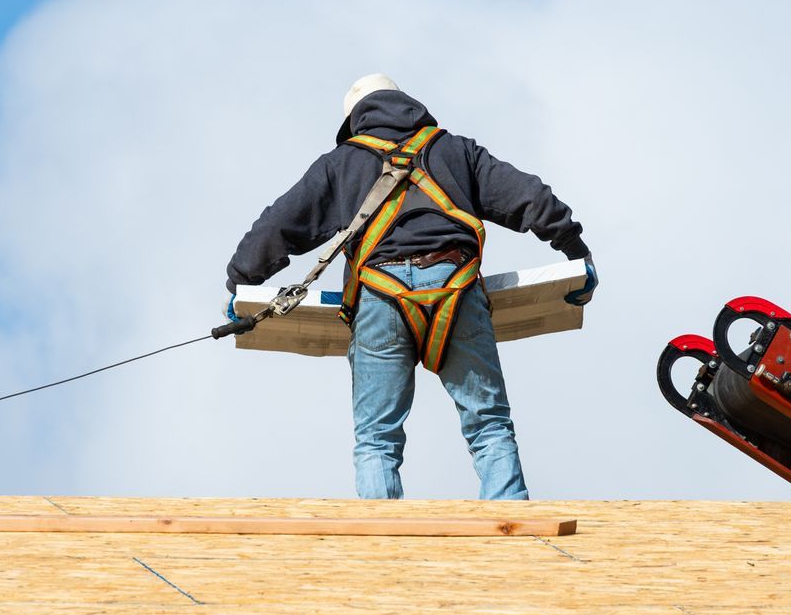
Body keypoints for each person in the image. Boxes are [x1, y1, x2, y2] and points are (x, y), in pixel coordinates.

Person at [225, 75, 595, 500]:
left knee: (377, 439)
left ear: (355, 122)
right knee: (489, 425)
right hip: (455, 290)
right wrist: (575, 250)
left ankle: (382, 541)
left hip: (380, 298)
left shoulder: (341, 163)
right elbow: (530, 195)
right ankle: (514, 528)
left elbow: (277, 225)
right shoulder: (454, 150)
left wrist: (240, 286)